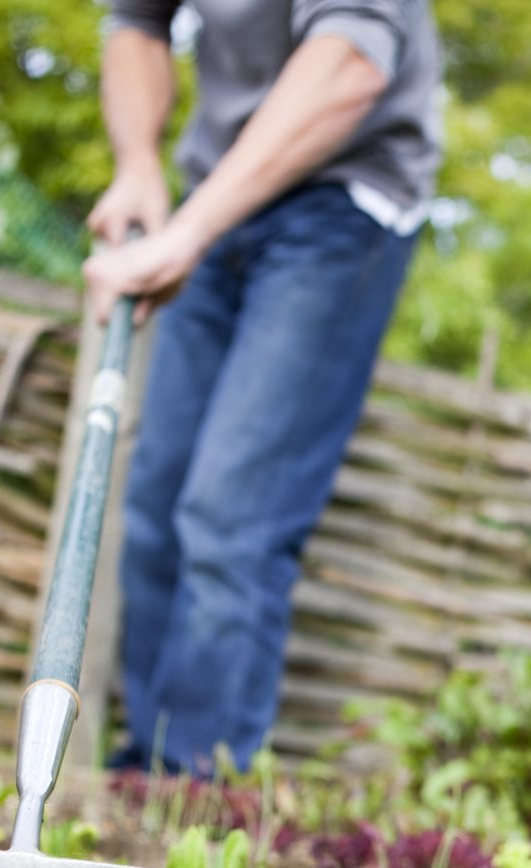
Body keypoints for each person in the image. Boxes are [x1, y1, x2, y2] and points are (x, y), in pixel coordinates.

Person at [82, 0, 439, 776]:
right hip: (218, 189)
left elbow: (351, 61)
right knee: (155, 502)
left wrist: (186, 233)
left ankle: (199, 797)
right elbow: (137, 23)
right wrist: (138, 162)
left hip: (344, 190)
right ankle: (147, 774)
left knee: (232, 511)